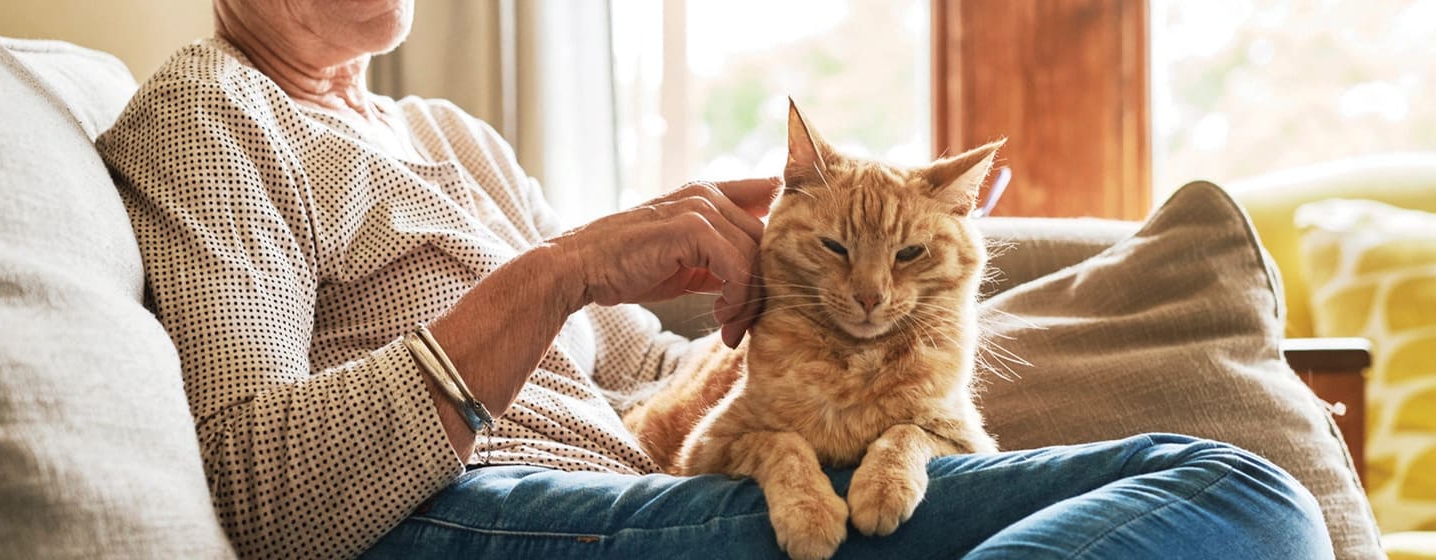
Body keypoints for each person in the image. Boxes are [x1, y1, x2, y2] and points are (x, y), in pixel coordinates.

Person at [96, 0, 1334, 558]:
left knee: (1235, 502)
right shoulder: (210, 114)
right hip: (481, 514)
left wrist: (797, 279)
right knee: (1235, 494)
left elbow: (648, 372)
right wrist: (570, 264)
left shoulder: (446, 135)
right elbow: (264, 497)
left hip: (659, 491)